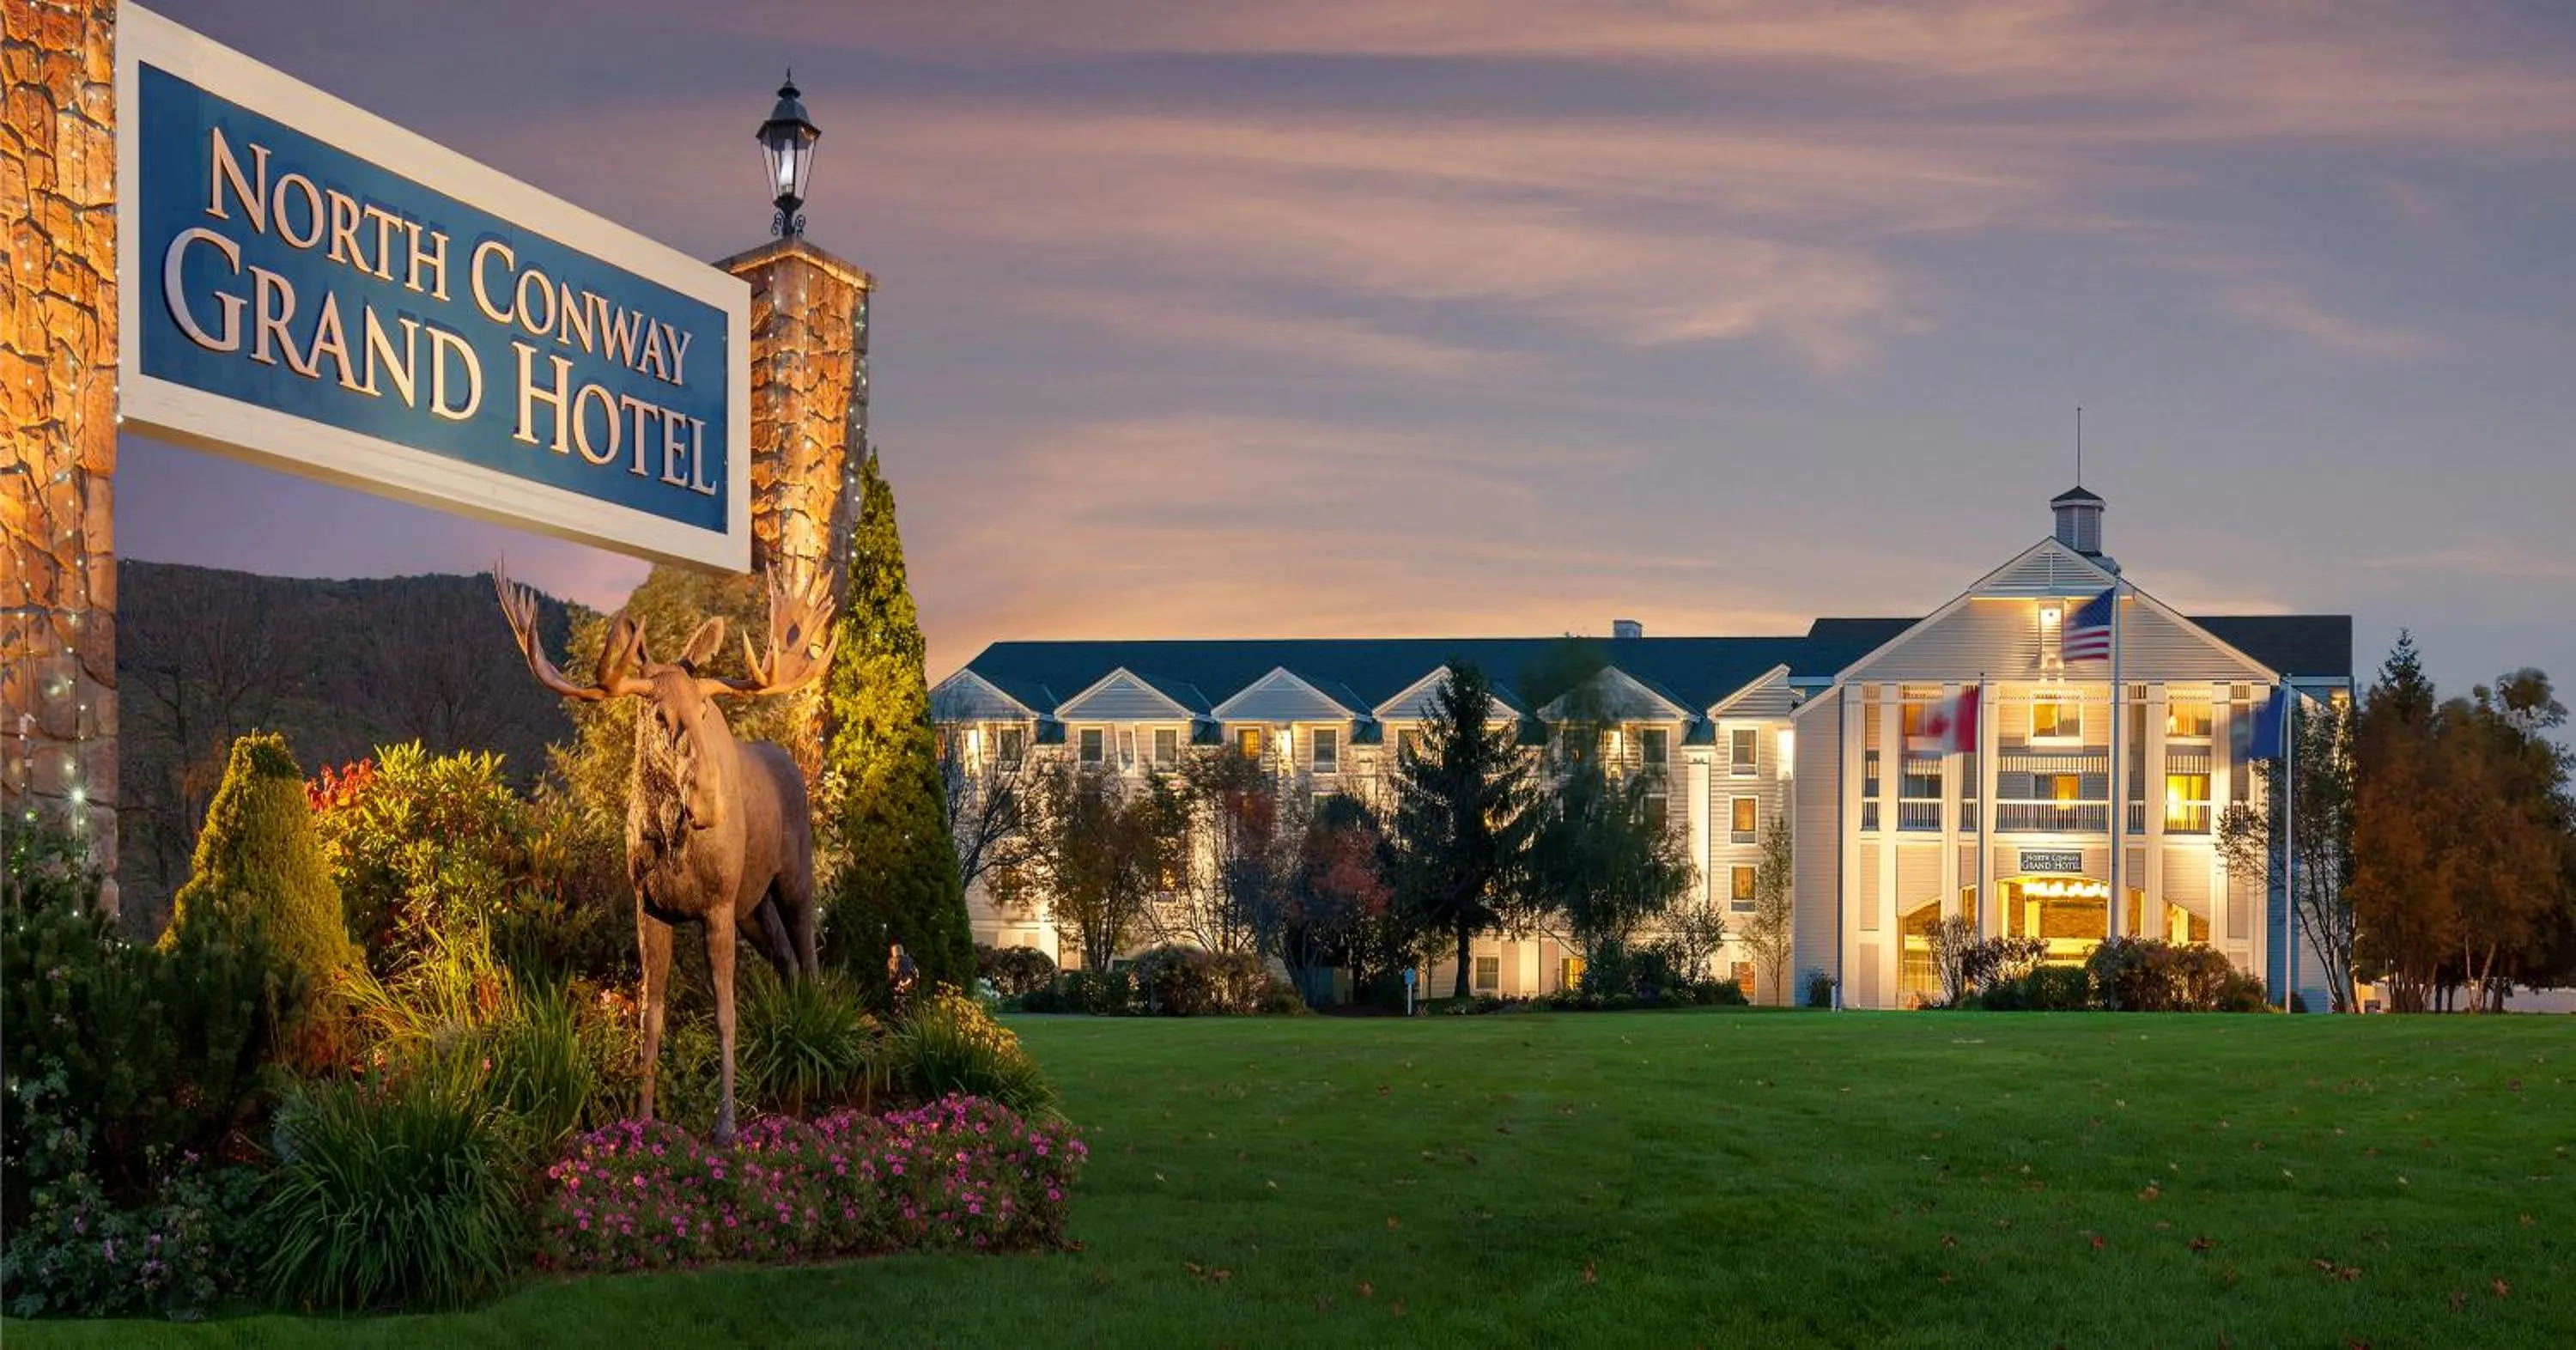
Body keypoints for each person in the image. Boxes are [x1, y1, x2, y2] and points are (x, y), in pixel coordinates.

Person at [888, 940, 920, 1009]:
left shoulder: (894, 961)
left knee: (901, 1009)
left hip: (901, 988)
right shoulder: (907, 960)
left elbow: (892, 977)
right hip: (904, 988)